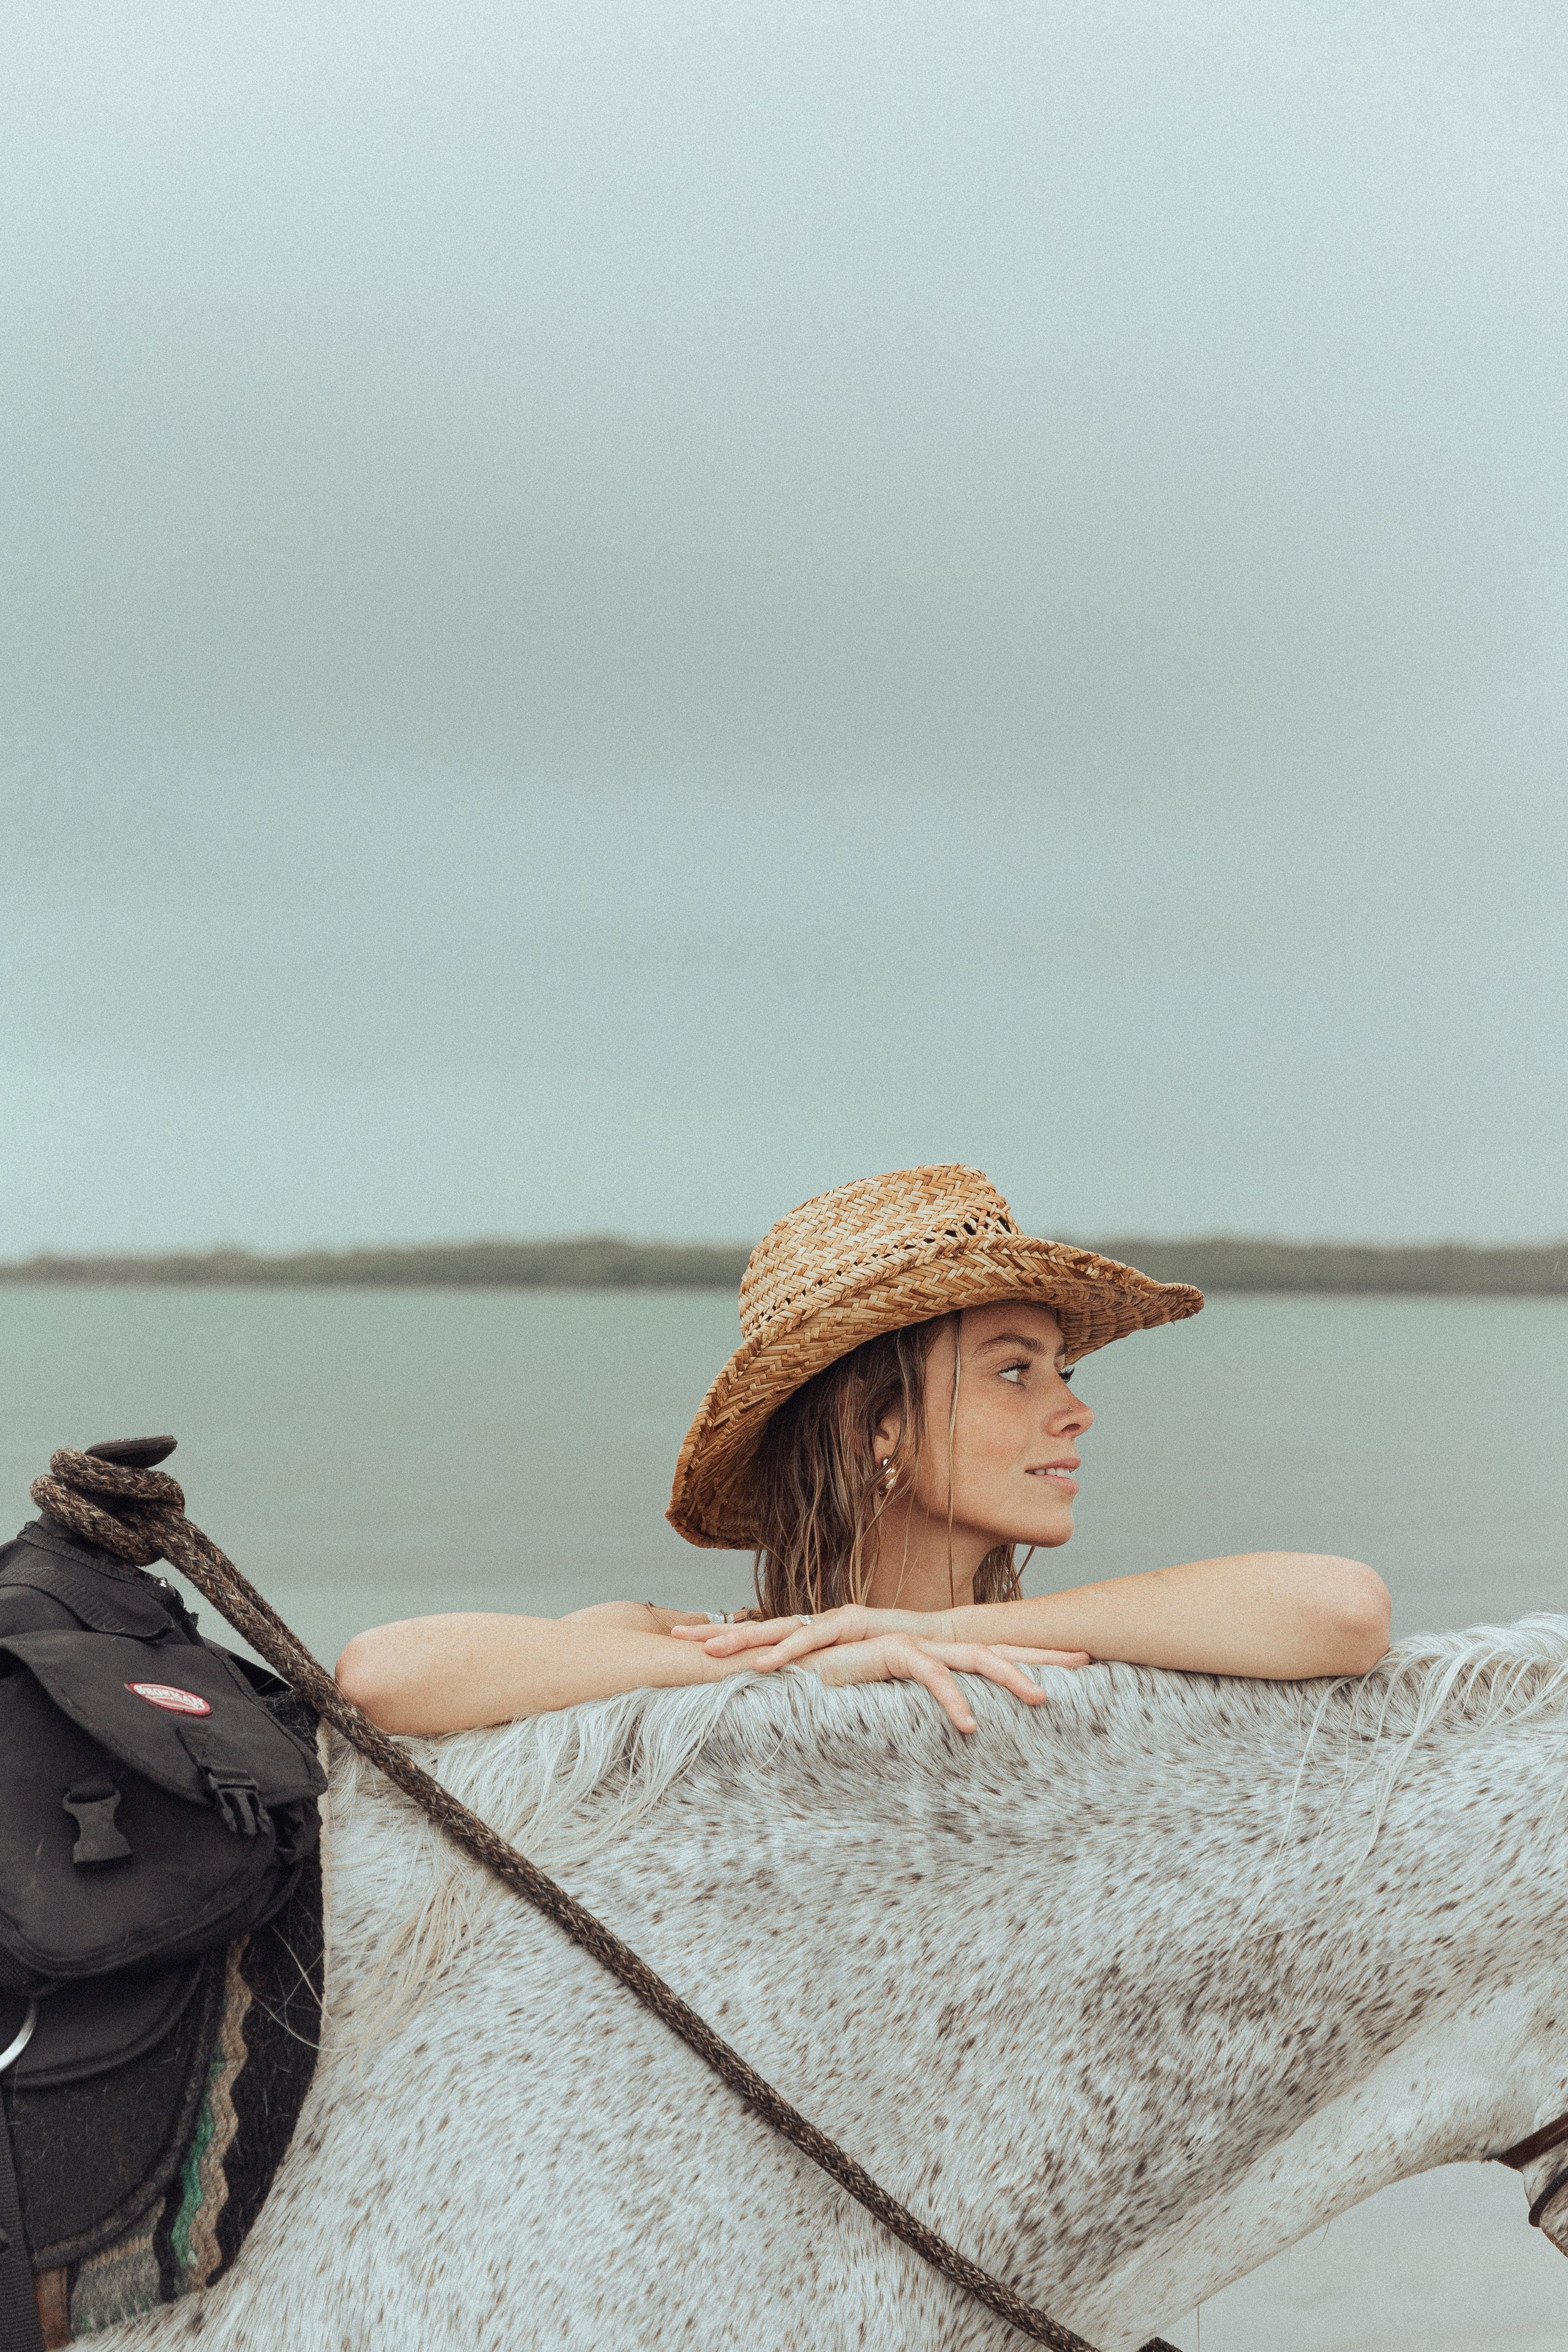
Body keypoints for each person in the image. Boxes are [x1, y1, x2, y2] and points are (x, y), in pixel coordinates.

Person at [336, 1166, 1389, 1737]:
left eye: (1066, 1370)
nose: (1076, 1412)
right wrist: (808, 1668)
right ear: (877, 1430)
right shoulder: (688, 1642)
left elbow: (1342, 1610)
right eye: (1016, 1370)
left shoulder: (1056, 1645)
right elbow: (389, 1676)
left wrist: (940, 1628)